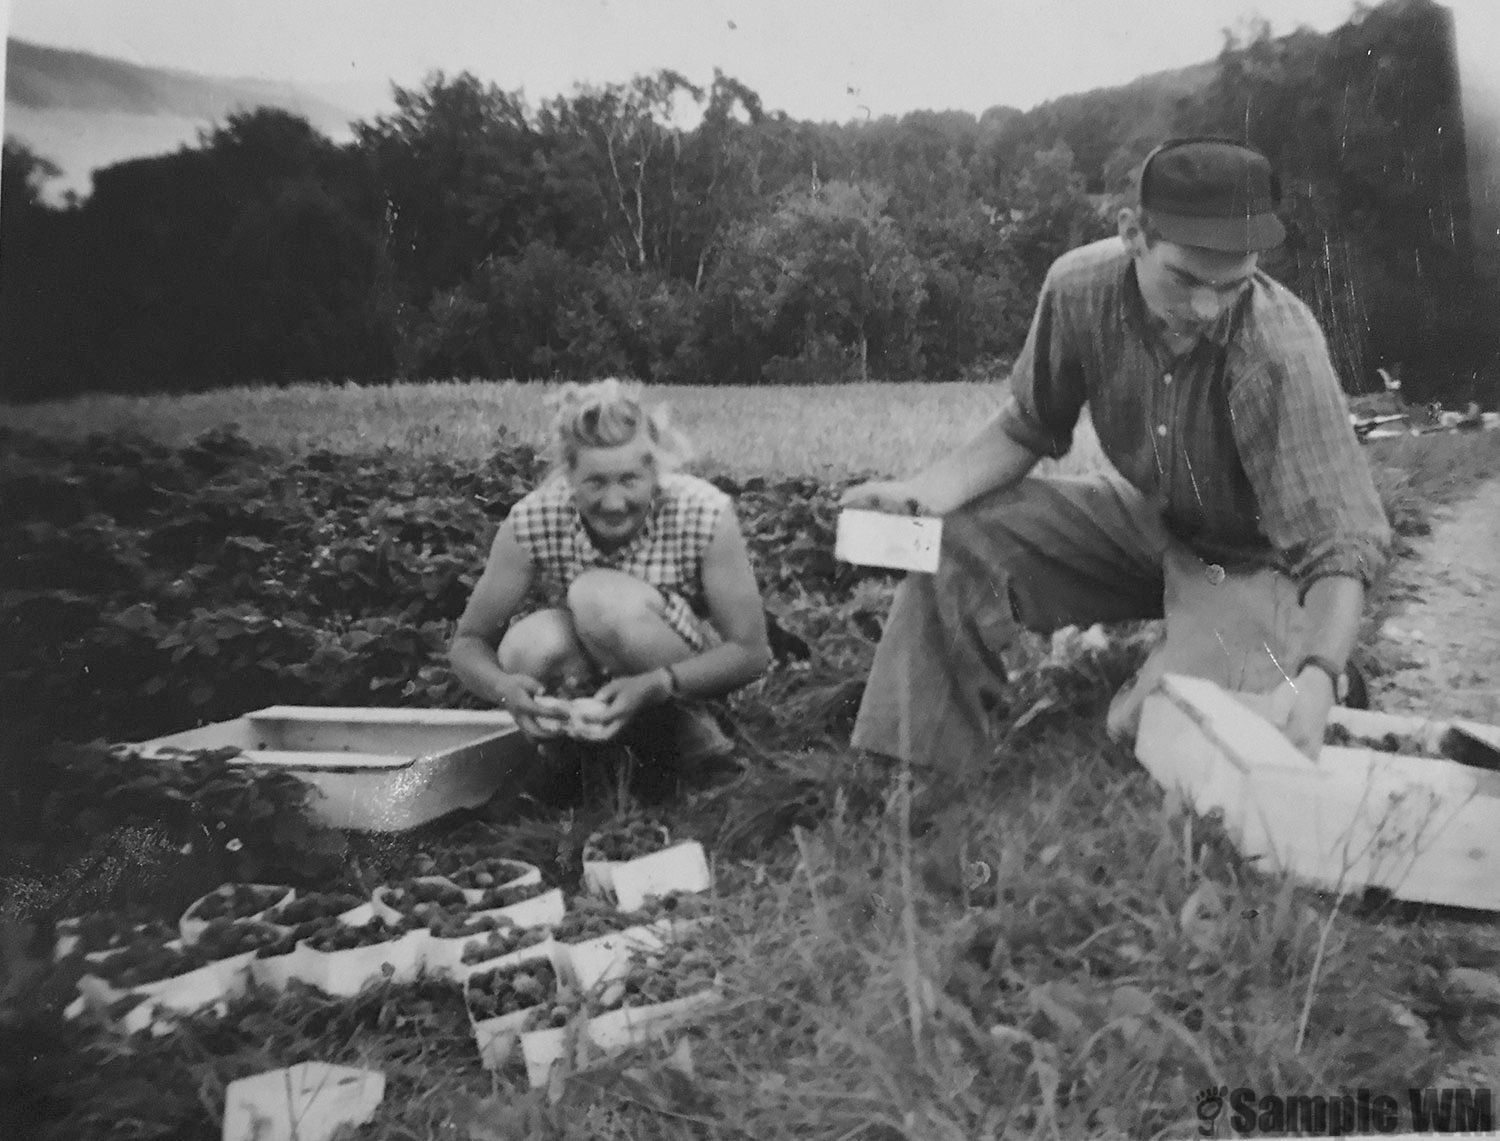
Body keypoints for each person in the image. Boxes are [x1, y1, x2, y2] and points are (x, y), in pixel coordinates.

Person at [842, 137, 1392, 780]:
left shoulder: (1279, 351)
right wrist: (923, 494)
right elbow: (1027, 425)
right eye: (1185, 279)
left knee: (1145, 735)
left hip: (1256, 560)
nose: (1207, 308)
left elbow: (1338, 542)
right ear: (1133, 234)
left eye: (1232, 285)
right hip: (1147, 518)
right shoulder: (1079, 288)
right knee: (956, 538)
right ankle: (915, 770)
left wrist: (1320, 674)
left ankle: (1299, 654)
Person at [450, 378, 772, 789]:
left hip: (684, 675)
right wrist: (502, 687)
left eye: (630, 480)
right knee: (528, 644)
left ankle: (698, 740)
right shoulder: (533, 517)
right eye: (596, 483)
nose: (614, 502)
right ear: (569, 475)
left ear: (655, 471)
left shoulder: (703, 510)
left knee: (595, 597)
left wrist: (658, 684)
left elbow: (751, 652)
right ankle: (574, 756)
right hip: (594, 667)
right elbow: (468, 643)